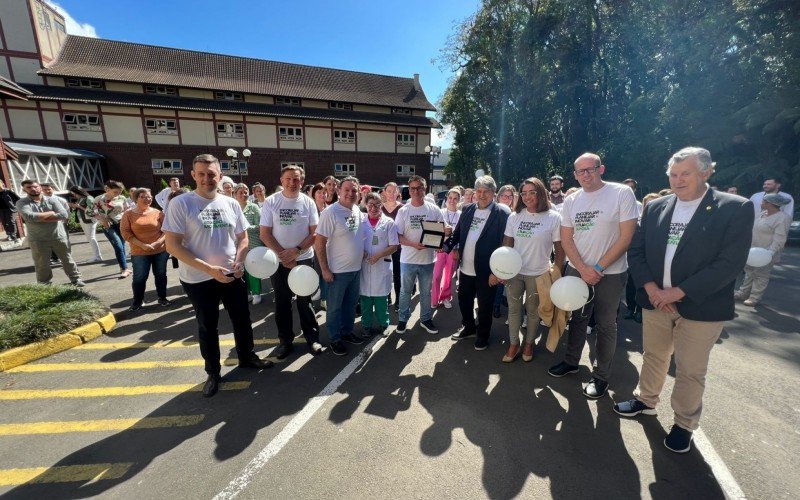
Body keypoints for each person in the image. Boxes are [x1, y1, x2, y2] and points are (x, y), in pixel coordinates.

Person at [618, 146, 754, 454]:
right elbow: (636, 252)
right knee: (653, 355)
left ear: (706, 172)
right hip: (656, 300)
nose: (678, 180)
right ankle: (646, 401)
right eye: (673, 174)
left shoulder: (734, 207)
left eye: (685, 174)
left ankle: (683, 424)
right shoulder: (656, 207)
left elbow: (730, 263)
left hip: (700, 306)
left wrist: (677, 292)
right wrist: (652, 289)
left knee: (690, 369)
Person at [163, 154, 271, 397]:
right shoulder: (182, 204)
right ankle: (213, 372)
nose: (206, 179)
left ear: (220, 176)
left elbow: (242, 237)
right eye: (201, 174)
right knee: (207, 326)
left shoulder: (230, 203)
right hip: (199, 279)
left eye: (211, 174)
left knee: (242, 319)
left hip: (232, 274)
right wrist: (210, 270)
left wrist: (241, 259)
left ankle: (246, 356)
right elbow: (173, 246)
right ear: (193, 176)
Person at [547, 152, 638, 400]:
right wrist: (583, 268)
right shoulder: (572, 200)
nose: (585, 175)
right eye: (580, 171)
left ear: (601, 169)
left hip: (611, 273)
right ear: (574, 175)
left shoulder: (621, 193)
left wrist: (597, 268)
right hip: (579, 270)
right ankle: (571, 361)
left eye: (590, 169)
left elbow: (626, 237)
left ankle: (600, 376)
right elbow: (566, 239)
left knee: (606, 325)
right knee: (577, 318)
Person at [260, 165, 323, 358]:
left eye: (296, 179)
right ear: (281, 180)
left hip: (303, 259)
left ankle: (312, 340)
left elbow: (314, 232)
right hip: (279, 262)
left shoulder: (308, 202)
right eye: (288, 179)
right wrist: (282, 255)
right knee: (282, 303)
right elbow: (265, 233)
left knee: (305, 302)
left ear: (302, 181)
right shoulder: (271, 201)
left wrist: (296, 252)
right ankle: (285, 342)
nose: (292, 182)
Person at [502, 177, 564, 362]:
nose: (527, 196)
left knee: (533, 311)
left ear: (541, 192)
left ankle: (529, 343)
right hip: (515, 273)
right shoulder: (515, 216)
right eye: (524, 193)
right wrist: (503, 270)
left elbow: (559, 251)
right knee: (513, 310)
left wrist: (557, 275)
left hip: (538, 274)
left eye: (532, 192)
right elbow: (507, 245)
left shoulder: (553, 217)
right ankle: (514, 344)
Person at [448, 175, 509, 350]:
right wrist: (445, 246)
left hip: (487, 271)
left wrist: (497, 271)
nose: (482, 195)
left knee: (484, 306)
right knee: (464, 301)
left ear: (493, 193)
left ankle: (483, 334)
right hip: (466, 269)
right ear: (474, 192)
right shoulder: (467, 209)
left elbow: (506, 244)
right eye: (479, 191)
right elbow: (457, 234)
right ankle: (469, 327)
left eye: (486, 192)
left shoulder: (502, 214)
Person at [315, 176, 366, 356]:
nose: (350, 193)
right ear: (338, 191)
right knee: (335, 307)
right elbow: (319, 243)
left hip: (355, 270)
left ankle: (347, 332)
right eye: (347, 190)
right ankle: (335, 339)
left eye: (354, 190)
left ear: (359, 193)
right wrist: (325, 269)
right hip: (336, 271)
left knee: (350, 305)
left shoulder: (358, 211)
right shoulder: (330, 213)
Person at [394, 175, 447, 335]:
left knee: (426, 292)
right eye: (413, 188)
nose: (416, 191)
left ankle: (425, 319)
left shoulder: (434, 209)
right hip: (408, 260)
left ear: (425, 189)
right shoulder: (403, 211)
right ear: (409, 191)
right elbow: (397, 236)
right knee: (405, 292)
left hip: (428, 260)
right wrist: (412, 244)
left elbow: (442, 229)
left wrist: (445, 233)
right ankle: (403, 320)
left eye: (419, 188)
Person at [16, 180, 84, 287]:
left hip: (58, 236)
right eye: (29, 187)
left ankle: (76, 279)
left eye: (35, 186)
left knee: (67, 259)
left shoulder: (52, 199)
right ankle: (44, 284)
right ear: (24, 189)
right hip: (38, 239)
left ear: (39, 187)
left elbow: (64, 215)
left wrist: (41, 218)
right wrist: (51, 213)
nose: (33, 189)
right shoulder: (22, 202)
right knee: (42, 264)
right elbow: (29, 217)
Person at [734, 193, 791, 306]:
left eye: (764, 201)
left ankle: (755, 297)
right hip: (753, 250)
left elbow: (780, 237)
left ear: (771, 204)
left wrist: (770, 253)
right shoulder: (762, 214)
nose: (761, 203)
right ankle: (743, 293)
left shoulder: (782, 218)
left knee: (761, 275)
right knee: (749, 272)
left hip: (766, 253)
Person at [120, 188, 171, 311]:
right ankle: (137, 301)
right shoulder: (128, 214)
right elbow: (125, 233)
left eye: (149, 196)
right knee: (139, 277)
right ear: (136, 199)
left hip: (160, 251)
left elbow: (167, 230)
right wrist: (142, 245)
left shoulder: (158, 212)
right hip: (139, 252)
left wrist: (158, 243)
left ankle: (162, 298)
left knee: (160, 275)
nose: (147, 199)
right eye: (143, 196)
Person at [359, 192, 399, 337]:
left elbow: (394, 246)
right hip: (364, 265)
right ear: (366, 206)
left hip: (381, 264)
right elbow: (354, 240)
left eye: (377, 205)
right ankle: (366, 326)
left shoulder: (389, 223)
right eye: (370, 205)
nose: (373, 208)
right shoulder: (360, 221)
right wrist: (360, 252)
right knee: (365, 301)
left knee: (381, 300)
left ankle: (384, 324)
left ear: (381, 205)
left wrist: (378, 256)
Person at [624, 192, 663, 323]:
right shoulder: (638, 221)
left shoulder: (663, 222)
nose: (650, 207)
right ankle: (630, 309)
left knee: (644, 289)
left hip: (653, 265)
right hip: (636, 263)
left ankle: (640, 312)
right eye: (647, 204)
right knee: (632, 286)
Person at [233, 183, 266, 305]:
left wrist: (244, 228)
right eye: (240, 192)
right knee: (241, 268)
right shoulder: (232, 207)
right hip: (236, 244)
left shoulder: (254, 207)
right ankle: (247, 292)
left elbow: (260, 226)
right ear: (235, 194)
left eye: (246, 191)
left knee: (253, 268)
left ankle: (256, 293)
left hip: (253, 243)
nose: (244, 194)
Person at [91, 180, 131, 279]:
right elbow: (91, 212)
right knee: (118, 246)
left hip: (121, 224)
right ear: (108, 189)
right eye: (115, 192)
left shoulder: (122, 198)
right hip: (108, 226)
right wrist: (102, 219)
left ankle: (124, 267)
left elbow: (127, 210)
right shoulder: (99, 199)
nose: (118, 194)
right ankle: (124, 269)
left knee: (122, 245)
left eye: (120, 192)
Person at [432, 189, 461, 309]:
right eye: (450, 198)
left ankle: (445, 297)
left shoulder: (461, 215)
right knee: (436, 275)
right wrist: (436, 245)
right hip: (439, 249)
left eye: (455, 198)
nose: (452, 200)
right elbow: (433, 230)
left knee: (448, 276)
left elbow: (461, 234)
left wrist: (457, 250)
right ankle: (434, 299)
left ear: (459, 200)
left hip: (453, 250)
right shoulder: (440, 212)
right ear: (446, 198)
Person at [381, 182, 404, 310]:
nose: (391, 194)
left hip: (398, 247)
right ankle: (387, 296)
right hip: (383, 247)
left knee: (397, 273)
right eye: (389, 191)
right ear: (384, 192)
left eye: (394, 191)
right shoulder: (380, 208)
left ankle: (399, 300)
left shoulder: (403, 208)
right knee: (385, 273)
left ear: (398, 193)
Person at [67, 186, 103, 263]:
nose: (74, 195)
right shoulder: (81, 198)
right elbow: (80, 208)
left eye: (74, 194)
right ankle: (96, 255)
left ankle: (97, 256)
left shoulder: (89, 198)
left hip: (89, 220)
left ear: (79, 192)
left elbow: (93, 211)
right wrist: (74, 206)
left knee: (91, 237)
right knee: (89, 238)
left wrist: (79, 206)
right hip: (83, 220)